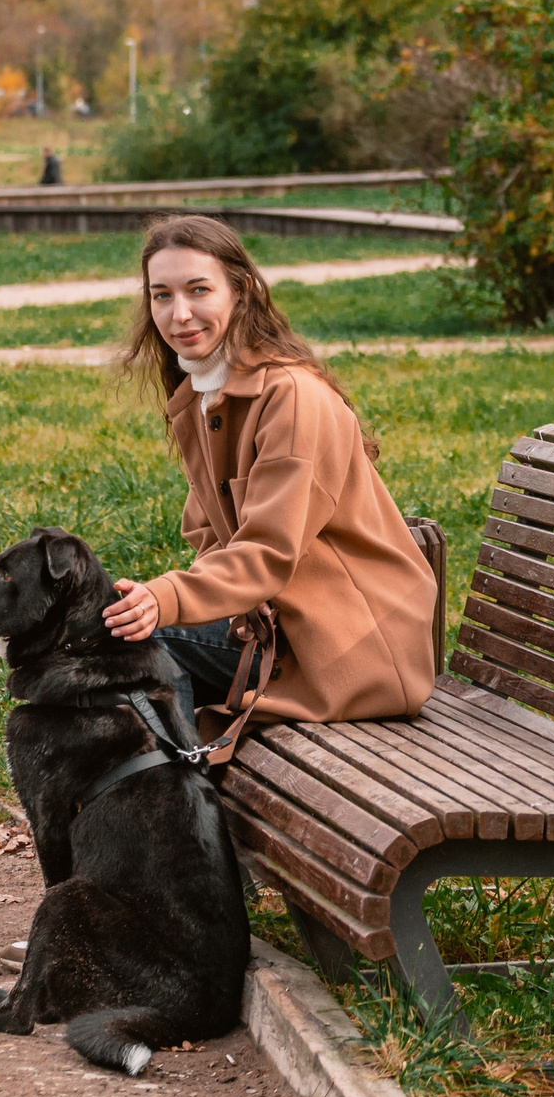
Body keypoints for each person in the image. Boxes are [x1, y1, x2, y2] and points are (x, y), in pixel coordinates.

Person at [102, 214, 437, 726]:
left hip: (345, 647)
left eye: (198, 290)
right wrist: (195, 603)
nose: (179, 314)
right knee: (115, 636)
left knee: (117, 643)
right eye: (162, 295)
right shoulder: (205, 393)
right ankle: (166, 792)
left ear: (243, 291)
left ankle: (173, 796)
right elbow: (212, 533)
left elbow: (267, 550)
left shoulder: (291, 398)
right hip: (273, 626)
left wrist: (165, 598)